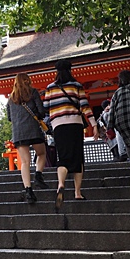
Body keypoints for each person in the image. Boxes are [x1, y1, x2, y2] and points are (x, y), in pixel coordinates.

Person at [43, 59, 99, 207]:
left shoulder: (50, 88)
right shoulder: (76, 86)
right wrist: (94, 125)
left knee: (63, 157)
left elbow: (46, 109)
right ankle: (77, 192)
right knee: (78, 158)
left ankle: (60, 185)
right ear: (70, 69)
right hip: (75, 125)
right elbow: (85, 107)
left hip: (59, 127)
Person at [6, 73, 49, 204]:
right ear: (27, 81)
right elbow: (41, 111)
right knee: (41, 153)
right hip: (33, 130)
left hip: (19, 133)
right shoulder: (33, 92)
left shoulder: (10, 98)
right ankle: (38, 175)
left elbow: (9, 117)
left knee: (25, 162)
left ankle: (28, 191)